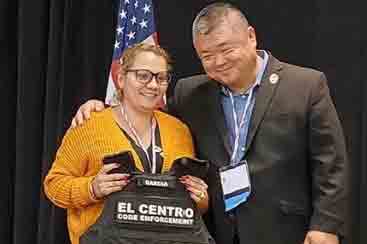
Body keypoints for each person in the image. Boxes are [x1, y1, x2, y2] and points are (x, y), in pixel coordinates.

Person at [70, 3, 348, 244]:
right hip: (213, 231)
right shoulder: (188, 92)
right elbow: (147, 117)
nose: (218, 62)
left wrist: (325, 225)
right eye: (206, 56)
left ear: (251, 37)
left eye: (225, 49)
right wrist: (101, 108)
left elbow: (330, 163)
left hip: (285, 231)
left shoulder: (306, 85)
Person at [44, 43, 210, 244]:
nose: (153, 85)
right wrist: (92, 188)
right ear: (121, 79)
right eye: (143, 75)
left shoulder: (179, 130)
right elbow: (54, 186)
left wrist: (200, 199)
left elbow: (189, 204)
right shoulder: (89, 125)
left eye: (161, 77)